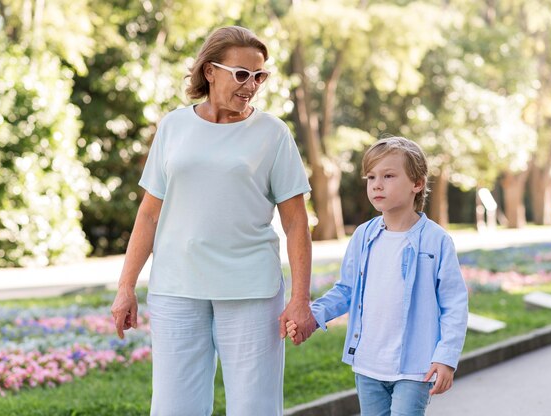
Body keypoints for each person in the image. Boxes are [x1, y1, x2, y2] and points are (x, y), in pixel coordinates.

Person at [110, 26, 316, 416]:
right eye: (242, 74)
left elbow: (296, 224)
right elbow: (149, 213)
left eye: (259, 76)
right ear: (210, 71)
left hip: (251, 290)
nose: (251, 85)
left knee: (254, 407)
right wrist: (126, 286)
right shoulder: (173, 126)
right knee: (174, 408)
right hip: (176, 288)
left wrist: (300, 299)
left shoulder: (273, 134)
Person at [286, 136, 468, 415]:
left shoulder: (436, 241)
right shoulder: (363, 236)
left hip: (414, 366)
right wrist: (314, 314)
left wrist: (446, 358)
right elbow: (346, 289)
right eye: (371, 177)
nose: (377, 185)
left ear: (417, 184)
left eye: (389, 176)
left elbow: (454, 305)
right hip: (368, 364)